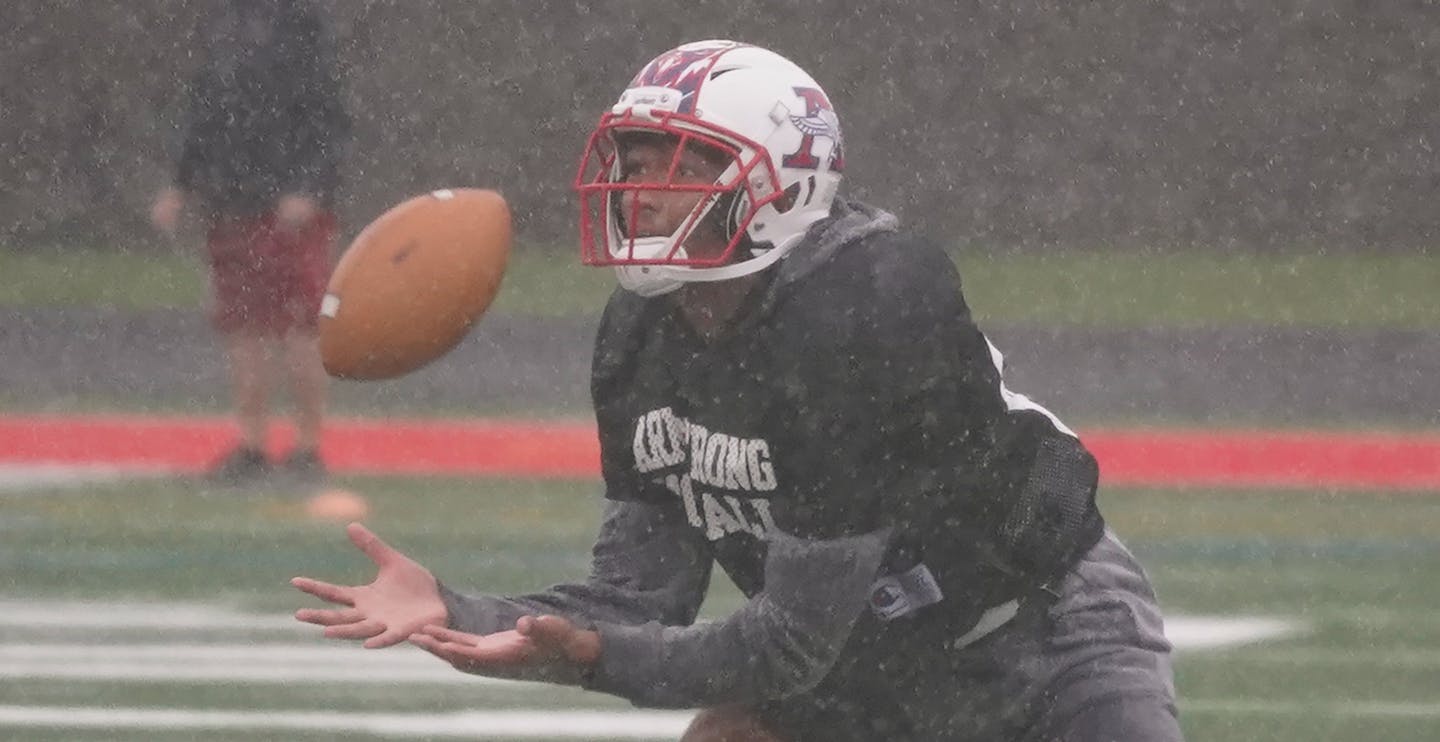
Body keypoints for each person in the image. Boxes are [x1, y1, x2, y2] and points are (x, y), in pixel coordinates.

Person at [292, 40, 1182, 741]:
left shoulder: (865, 306)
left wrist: (601, 662)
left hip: (1034, 632)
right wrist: (456, 608)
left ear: (779, 181)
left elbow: (790, 642)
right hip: (866, 657)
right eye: (633, 162)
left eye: (677, 163)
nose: (637, 192)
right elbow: (640, 601)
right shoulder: (641, 333)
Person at [151, 0, 350, 486]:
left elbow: (329, 118)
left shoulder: (303, 24)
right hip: (231, 202)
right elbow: (203, 110)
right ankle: (252, 446)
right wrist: (181, 183)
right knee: (243, 327)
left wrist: (310, 187)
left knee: (301, 325)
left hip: (290, 208)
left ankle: (307, 450)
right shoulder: (221, 21)